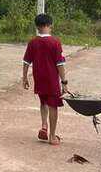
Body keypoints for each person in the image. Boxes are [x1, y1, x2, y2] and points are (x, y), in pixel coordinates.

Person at [22, 13, 68, 145]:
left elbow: (26, 62)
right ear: (50, 25)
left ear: (37, 26)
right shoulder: (55, 42)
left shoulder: (32, 42)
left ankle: (44, 126)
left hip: (39, 78)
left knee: (43, 102)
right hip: (51, 80)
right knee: (53, 106)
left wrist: (24, 78)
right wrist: (64, 82)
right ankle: (52, 137)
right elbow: (60, 64)